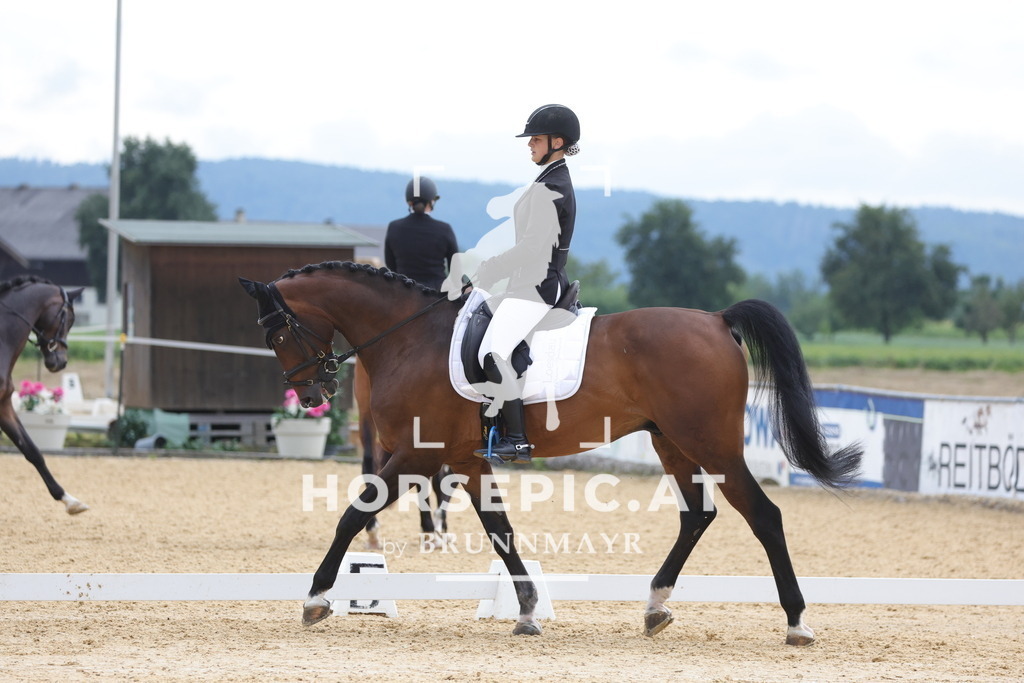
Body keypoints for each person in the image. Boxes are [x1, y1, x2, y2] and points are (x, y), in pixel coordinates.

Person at [444, 104, 581, 462]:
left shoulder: (553, 186)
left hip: (538, 287)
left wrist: (489, 268)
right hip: (526, 283)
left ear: (558, 141)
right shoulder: (548, 180)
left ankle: (518, 439)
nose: (530, 145)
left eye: (536, 139)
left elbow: (534, 248)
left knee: (494, 351)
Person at [383, 177, 459, 291]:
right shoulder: (444, 229)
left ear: (409, 202)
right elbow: (455, 270)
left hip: (404, 294)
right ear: (431, 201)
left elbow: (391, 265)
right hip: (436, 297)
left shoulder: (394, 227)